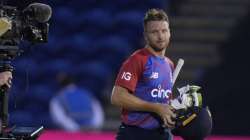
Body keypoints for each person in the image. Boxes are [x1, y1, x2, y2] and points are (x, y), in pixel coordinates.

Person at [111, 8, 212, 140]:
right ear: (146, 35)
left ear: (169, 32)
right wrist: (157, 108)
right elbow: (117, 97)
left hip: (161, 134)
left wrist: (175, 110)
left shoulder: (169, 64)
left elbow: (162, 100)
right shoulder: (138, 59)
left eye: (164, 31)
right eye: (154, 32)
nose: (160, 36)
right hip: (134, 134)